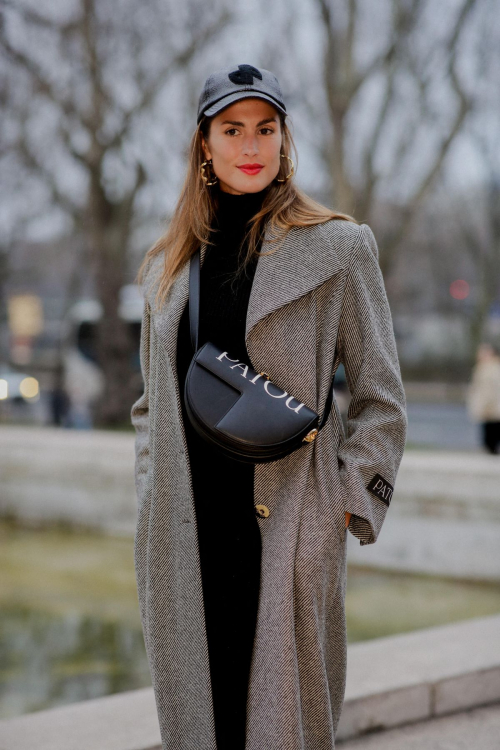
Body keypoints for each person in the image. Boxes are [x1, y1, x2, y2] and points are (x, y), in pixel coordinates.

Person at [131, 63, 407, 750]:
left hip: (287, 526)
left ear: (285, 140)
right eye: (232, 129)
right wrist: (150, 497)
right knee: (203, 724)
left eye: (265, 128)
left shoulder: (340, 248)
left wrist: (341, 510)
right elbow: (148, 406)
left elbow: (382, 399)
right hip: (187, 530)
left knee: (286, 726)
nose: (250, 145)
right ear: (204, 143)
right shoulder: (165, 265)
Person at [467, 342, 500, 454]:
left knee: (492, 431)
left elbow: (491, 390)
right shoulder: (482, 368)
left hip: (491, 406)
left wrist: (488, 404)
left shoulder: (492, 368)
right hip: (488, 405)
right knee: (488, 430)